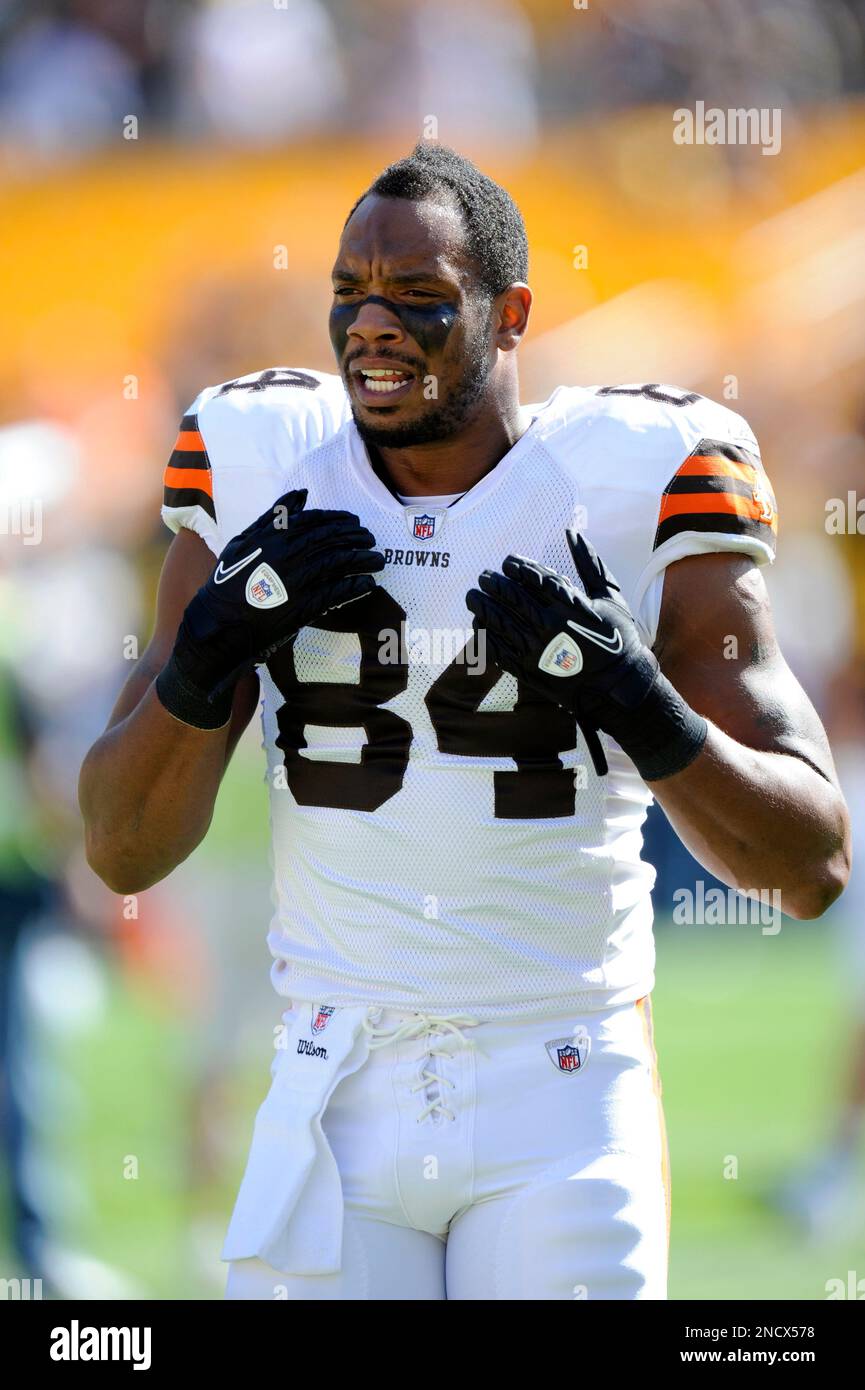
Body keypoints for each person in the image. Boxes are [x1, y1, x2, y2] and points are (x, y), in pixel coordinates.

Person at [79, 143, 850, 1301]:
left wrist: (635, 702)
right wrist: (207, 650)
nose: (371, 325)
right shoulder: (259, 462)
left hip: (563, 1076)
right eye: (348, 293)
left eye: (417, 298)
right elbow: (121, 844)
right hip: (333, 1078)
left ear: (510, 313)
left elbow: (812, 862)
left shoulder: (636, 476)